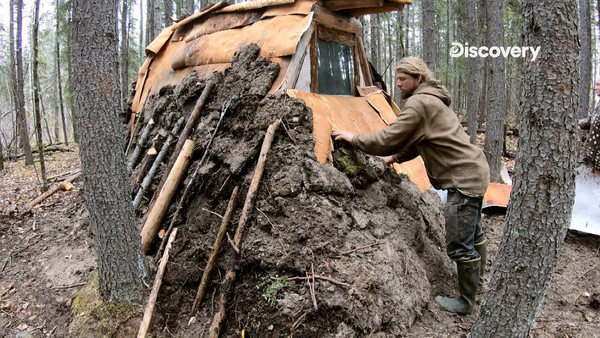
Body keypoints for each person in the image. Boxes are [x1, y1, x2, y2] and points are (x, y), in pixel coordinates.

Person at [332, 57, 490, 314]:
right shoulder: (432, 100)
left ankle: (466, 301)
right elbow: (421, 140)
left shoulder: (419, 104)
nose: (398, 84)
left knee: (460, 242)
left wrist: (355, 138)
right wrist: (395, 158)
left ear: (417, 78)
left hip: (463, 180)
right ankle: (476, 279)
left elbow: (389, 137)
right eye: (397, 79)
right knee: (474, 234)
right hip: (474, 171)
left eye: (403, 79)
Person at [579, 79, 600, 171]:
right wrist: (576, 123)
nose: (596, 88)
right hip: (591, 158)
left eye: (598, 85)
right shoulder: (599, 105)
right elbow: (591, 120)